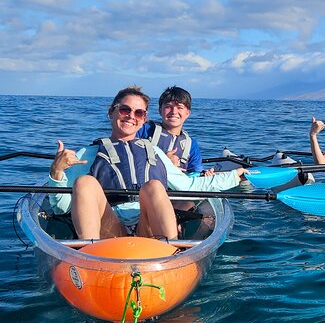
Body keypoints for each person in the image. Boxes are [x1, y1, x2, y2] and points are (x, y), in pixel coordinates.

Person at [48, 86, 246, 240]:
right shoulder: (89, 154)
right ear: (111, 112)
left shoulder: (156, 152)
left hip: (148, 228)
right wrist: (57, 171)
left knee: (154, 187)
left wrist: (233, 176)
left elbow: (189, 185)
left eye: (139, 113)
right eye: (125, 110)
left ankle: (170, 253)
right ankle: (90, 256)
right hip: (108, 228)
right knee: (85, 183)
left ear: (143, 119)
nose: (131, 116)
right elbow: (61, 208)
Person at [136, 86, 211, 176]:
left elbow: (195, 173)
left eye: (180, 107)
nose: (174, 111)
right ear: (160, 110)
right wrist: (164, 162)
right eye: (168, 107)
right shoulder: (145, 130)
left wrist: (205, 174)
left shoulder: (191, 144)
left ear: (187, 113)